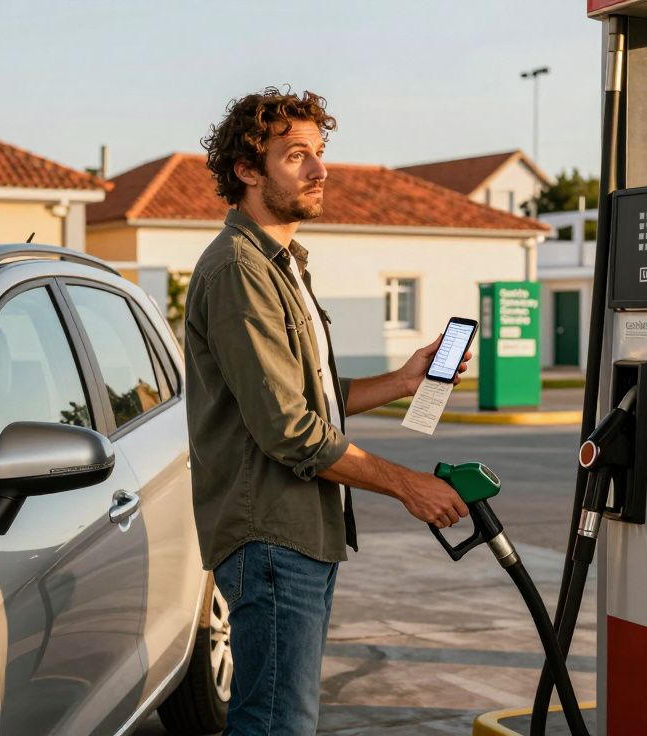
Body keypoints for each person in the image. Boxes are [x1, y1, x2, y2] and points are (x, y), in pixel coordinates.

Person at [183, 86, 472, 735]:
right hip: (271, 537)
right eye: (296, 157)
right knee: (275, 723)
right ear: (247, 170)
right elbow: (290, 430)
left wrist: (403, 380)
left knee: (279, 717)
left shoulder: (282, 266)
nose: (319, 171)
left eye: (319, 153)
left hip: (300, 535)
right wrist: (408, 486)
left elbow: (309, 395)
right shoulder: (238, 270)